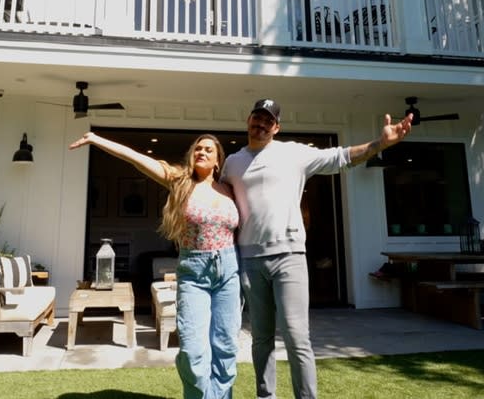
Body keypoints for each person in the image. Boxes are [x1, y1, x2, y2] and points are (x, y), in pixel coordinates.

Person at [221, 99, 413, 399]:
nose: (260, 124)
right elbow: (221, 202)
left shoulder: (293, 153)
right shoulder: (232, 162)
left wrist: (381, 144)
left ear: (276, 127)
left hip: (289, 258)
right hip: (249, 260)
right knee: (260, 338)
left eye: (267, 120)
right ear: (248, 120)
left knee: (297, 338)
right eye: (256, 118)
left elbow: (341, 157)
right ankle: (265, 395)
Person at [69, 132, 240, 399]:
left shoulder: (230, 187)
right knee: (193, 351)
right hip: (194, 272)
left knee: (226, 346)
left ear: (218, 160)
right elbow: (135, 158)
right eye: (197, 149)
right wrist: (95, 139)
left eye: (208, 149)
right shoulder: (180, 181)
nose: (201, 152)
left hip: (229, 271)